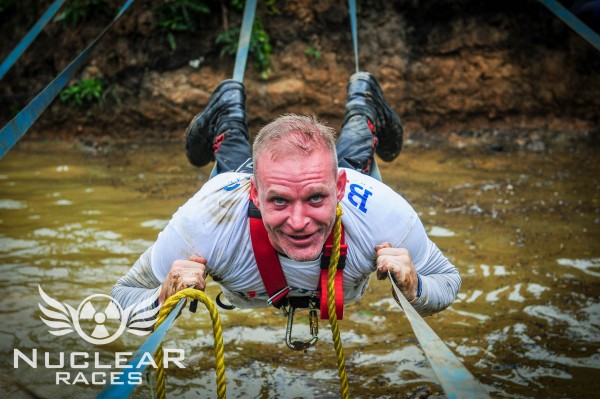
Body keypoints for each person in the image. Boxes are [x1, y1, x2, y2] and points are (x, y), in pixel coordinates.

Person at [112, 72, 460, 319]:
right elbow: (121, 300)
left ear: (339, 189)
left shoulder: (385, 217)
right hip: (235, 192)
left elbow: (446, 281)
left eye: (316, 199)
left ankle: (363, 103)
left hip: (347, 184)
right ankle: (227, 110)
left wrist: (414, 288)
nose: (298, 223)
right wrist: (163, 295)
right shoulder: (205, 223)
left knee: (354, 157)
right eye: (279, 201)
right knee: (234, 163)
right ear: (255, 193)